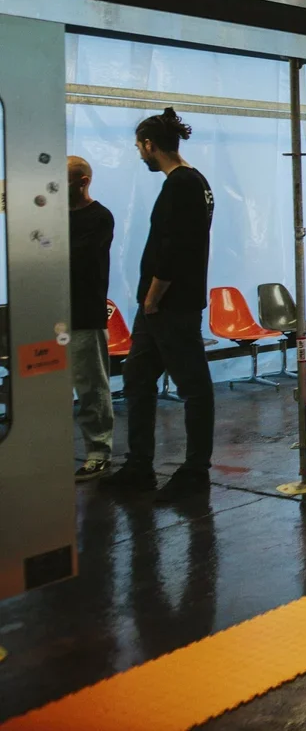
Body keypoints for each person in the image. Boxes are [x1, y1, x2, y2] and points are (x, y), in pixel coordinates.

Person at [101, 109, 216, 502]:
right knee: (137, 379)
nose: (139, 155)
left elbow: (175, 248)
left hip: (168, 305)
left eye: (139, 147)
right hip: (161, 307)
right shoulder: (195, 182)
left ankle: (195, 471)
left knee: (194, 386)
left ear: (151, 145)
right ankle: (139, 465)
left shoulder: (181, 185)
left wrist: (153, 297)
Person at [68, 156, 116, 481]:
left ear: (83, 181)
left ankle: (98, 452)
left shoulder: (100, 217)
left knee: (91, 388)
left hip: (84, 312)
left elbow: (78, 258)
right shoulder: (52, 217)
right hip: (51, 312)